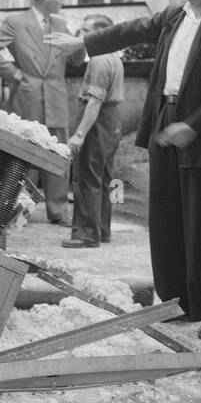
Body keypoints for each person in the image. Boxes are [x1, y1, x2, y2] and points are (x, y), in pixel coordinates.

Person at [54, 0, 201, 333]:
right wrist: (85, 44)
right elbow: (132, 29)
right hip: (164, 119)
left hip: (200, 128)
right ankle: (176, 303)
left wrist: (197, 125)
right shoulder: (174, 15)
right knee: (166, 218)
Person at [0, 0, 78, 225]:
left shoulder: (61, 24)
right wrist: (14, 74)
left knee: (59, 152)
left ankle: (58, 210)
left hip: (56, 97)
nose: (62, 0)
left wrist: (81, 42)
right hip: (27, 96)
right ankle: (22, 210)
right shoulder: (16, 22)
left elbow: (75, 58)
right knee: (25, 152)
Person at [61, 15, 125, 249]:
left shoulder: (99, 61)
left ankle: (86, 234)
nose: (82, 35)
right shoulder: (113, 58)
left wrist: (79, 134)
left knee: (87, 178)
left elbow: (94, 102)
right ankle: (102, 229)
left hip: (98, 120)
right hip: (112, 120)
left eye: (87, 31)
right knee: (105, 178)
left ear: (102, 34)